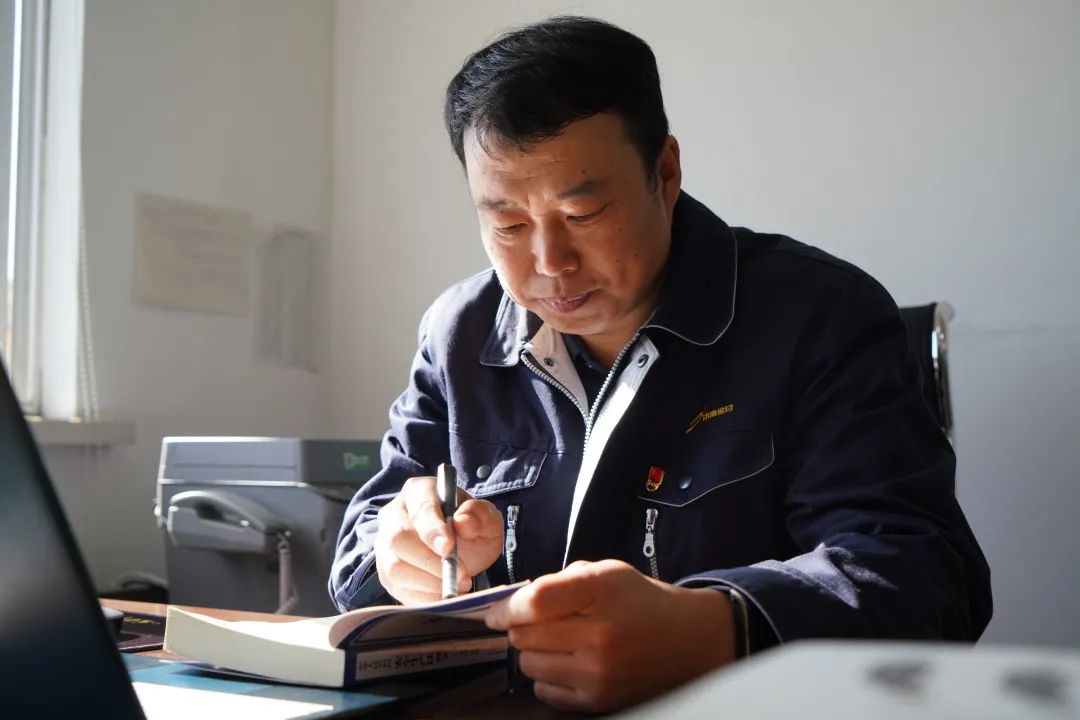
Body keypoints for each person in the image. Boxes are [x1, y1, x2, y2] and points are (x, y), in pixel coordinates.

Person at [330, 16, 992, 713]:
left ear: (665, 173)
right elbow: (365, 535)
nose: (550, 264)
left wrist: (721, 628)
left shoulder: (819, 316)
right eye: (509, 225)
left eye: (583, 214)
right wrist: (394, 554)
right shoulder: (459, 334)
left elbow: (926, 574)